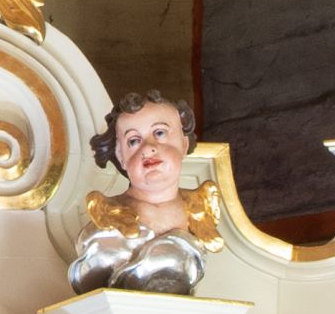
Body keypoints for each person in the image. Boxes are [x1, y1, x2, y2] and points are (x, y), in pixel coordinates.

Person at [64, 86, 219, 296]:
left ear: (183, 144)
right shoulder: (110, 213)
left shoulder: (199, 208)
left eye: (160, 133)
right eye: (134, 141)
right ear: (121, 156)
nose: (148, 147)